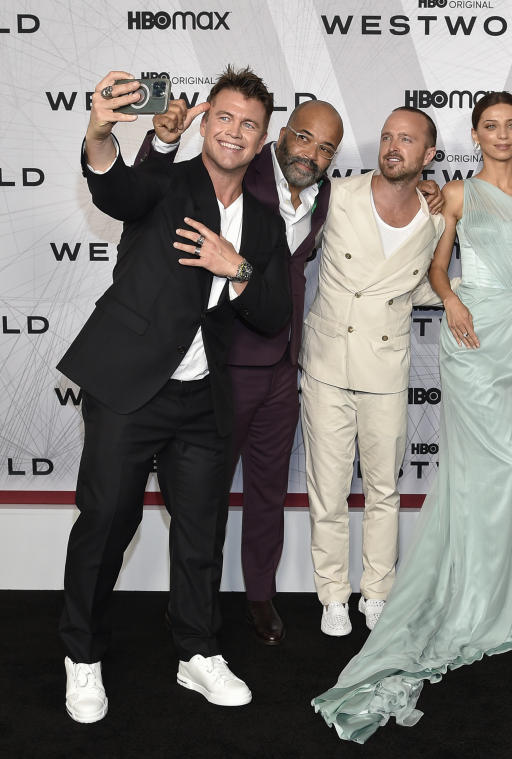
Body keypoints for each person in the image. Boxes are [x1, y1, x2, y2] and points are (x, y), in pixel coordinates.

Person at [312, 91, 512, 743]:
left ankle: (503, 597)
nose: (501, 135)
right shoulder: (452, 195)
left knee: (511, 470)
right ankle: (448, 595)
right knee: (475, 472)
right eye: (490, 126)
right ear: (474, 135)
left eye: (511, 126)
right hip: (471, 336)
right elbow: (437, 265)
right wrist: (449, 302)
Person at [59, 66, 291, 723]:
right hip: (129, 387)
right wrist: (102, 128)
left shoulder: (266, 223)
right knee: (107, 524)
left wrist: (234, 265)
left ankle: (197, 650)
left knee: (200, 535)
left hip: (201, 399)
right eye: (224, 117)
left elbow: (273, 313)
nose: (234, 131)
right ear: (205, 121)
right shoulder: (165, 178)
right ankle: (82, 653)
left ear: (262, 138)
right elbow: (113, 188)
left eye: (249, 124)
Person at [134, 98, 344, 645]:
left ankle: (259, 595)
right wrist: (160, 139)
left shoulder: (325, 196)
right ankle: (192, 603)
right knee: (199, 494)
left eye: (325, 147)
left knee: (268, 490)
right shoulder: (235, 168)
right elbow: (149, 191)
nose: (311, 153)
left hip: (285, 363)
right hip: (224, 359)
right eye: (303, 138)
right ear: (280, 134)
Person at [299, 107, 447, 637]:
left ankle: (378, 591)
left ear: (427, 156)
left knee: (384, 489)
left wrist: (461, 300)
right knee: (329, 489)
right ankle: (333, 594)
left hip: (385, 366)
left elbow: (425, 285)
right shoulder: (338, 194)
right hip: (326, 361)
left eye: (406, 140)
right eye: (387, 136)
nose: (392, 146)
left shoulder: (438, 216)